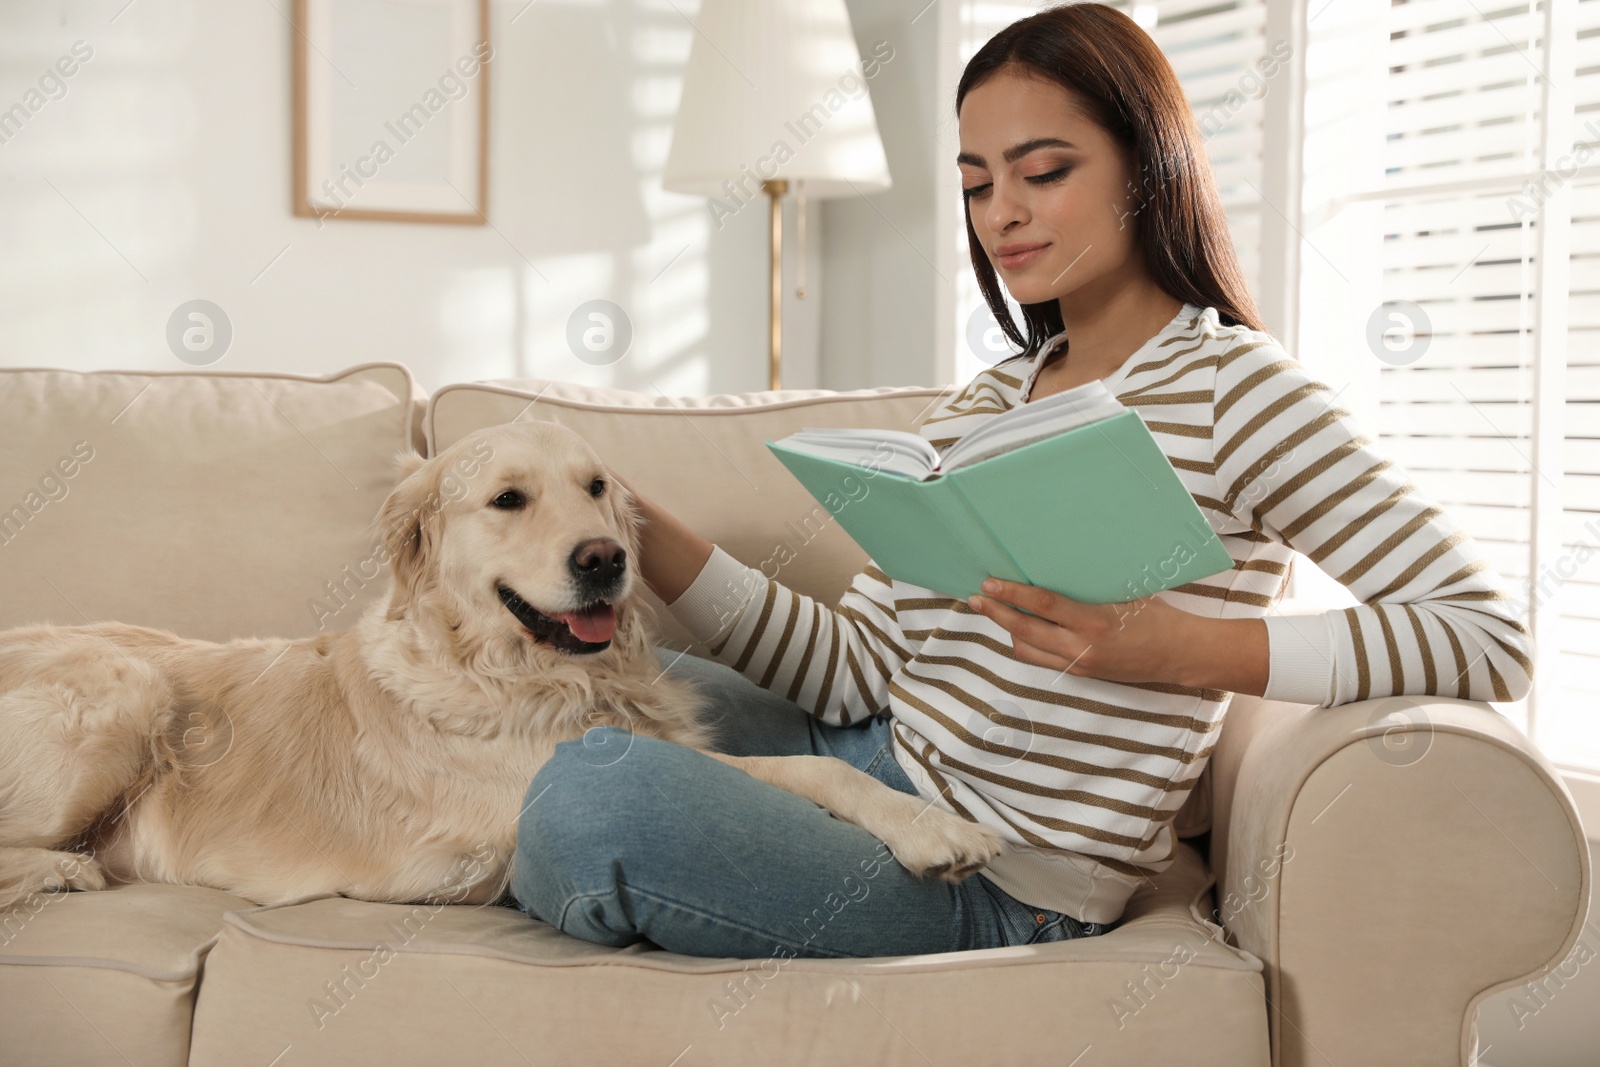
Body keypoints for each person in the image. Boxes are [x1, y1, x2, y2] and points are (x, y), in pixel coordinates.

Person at [508, 1, 1533, 960]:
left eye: (1042, 171)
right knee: (558, 690)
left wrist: (1182, 649)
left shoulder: (1237, 390)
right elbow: (854, 668)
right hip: (873, 759)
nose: (1003, 213)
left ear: (1147, 164)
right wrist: (632, 518)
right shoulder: (984, 402)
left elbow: (1487, 633)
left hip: (999, 876)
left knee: (596, 792)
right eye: (976, 182)